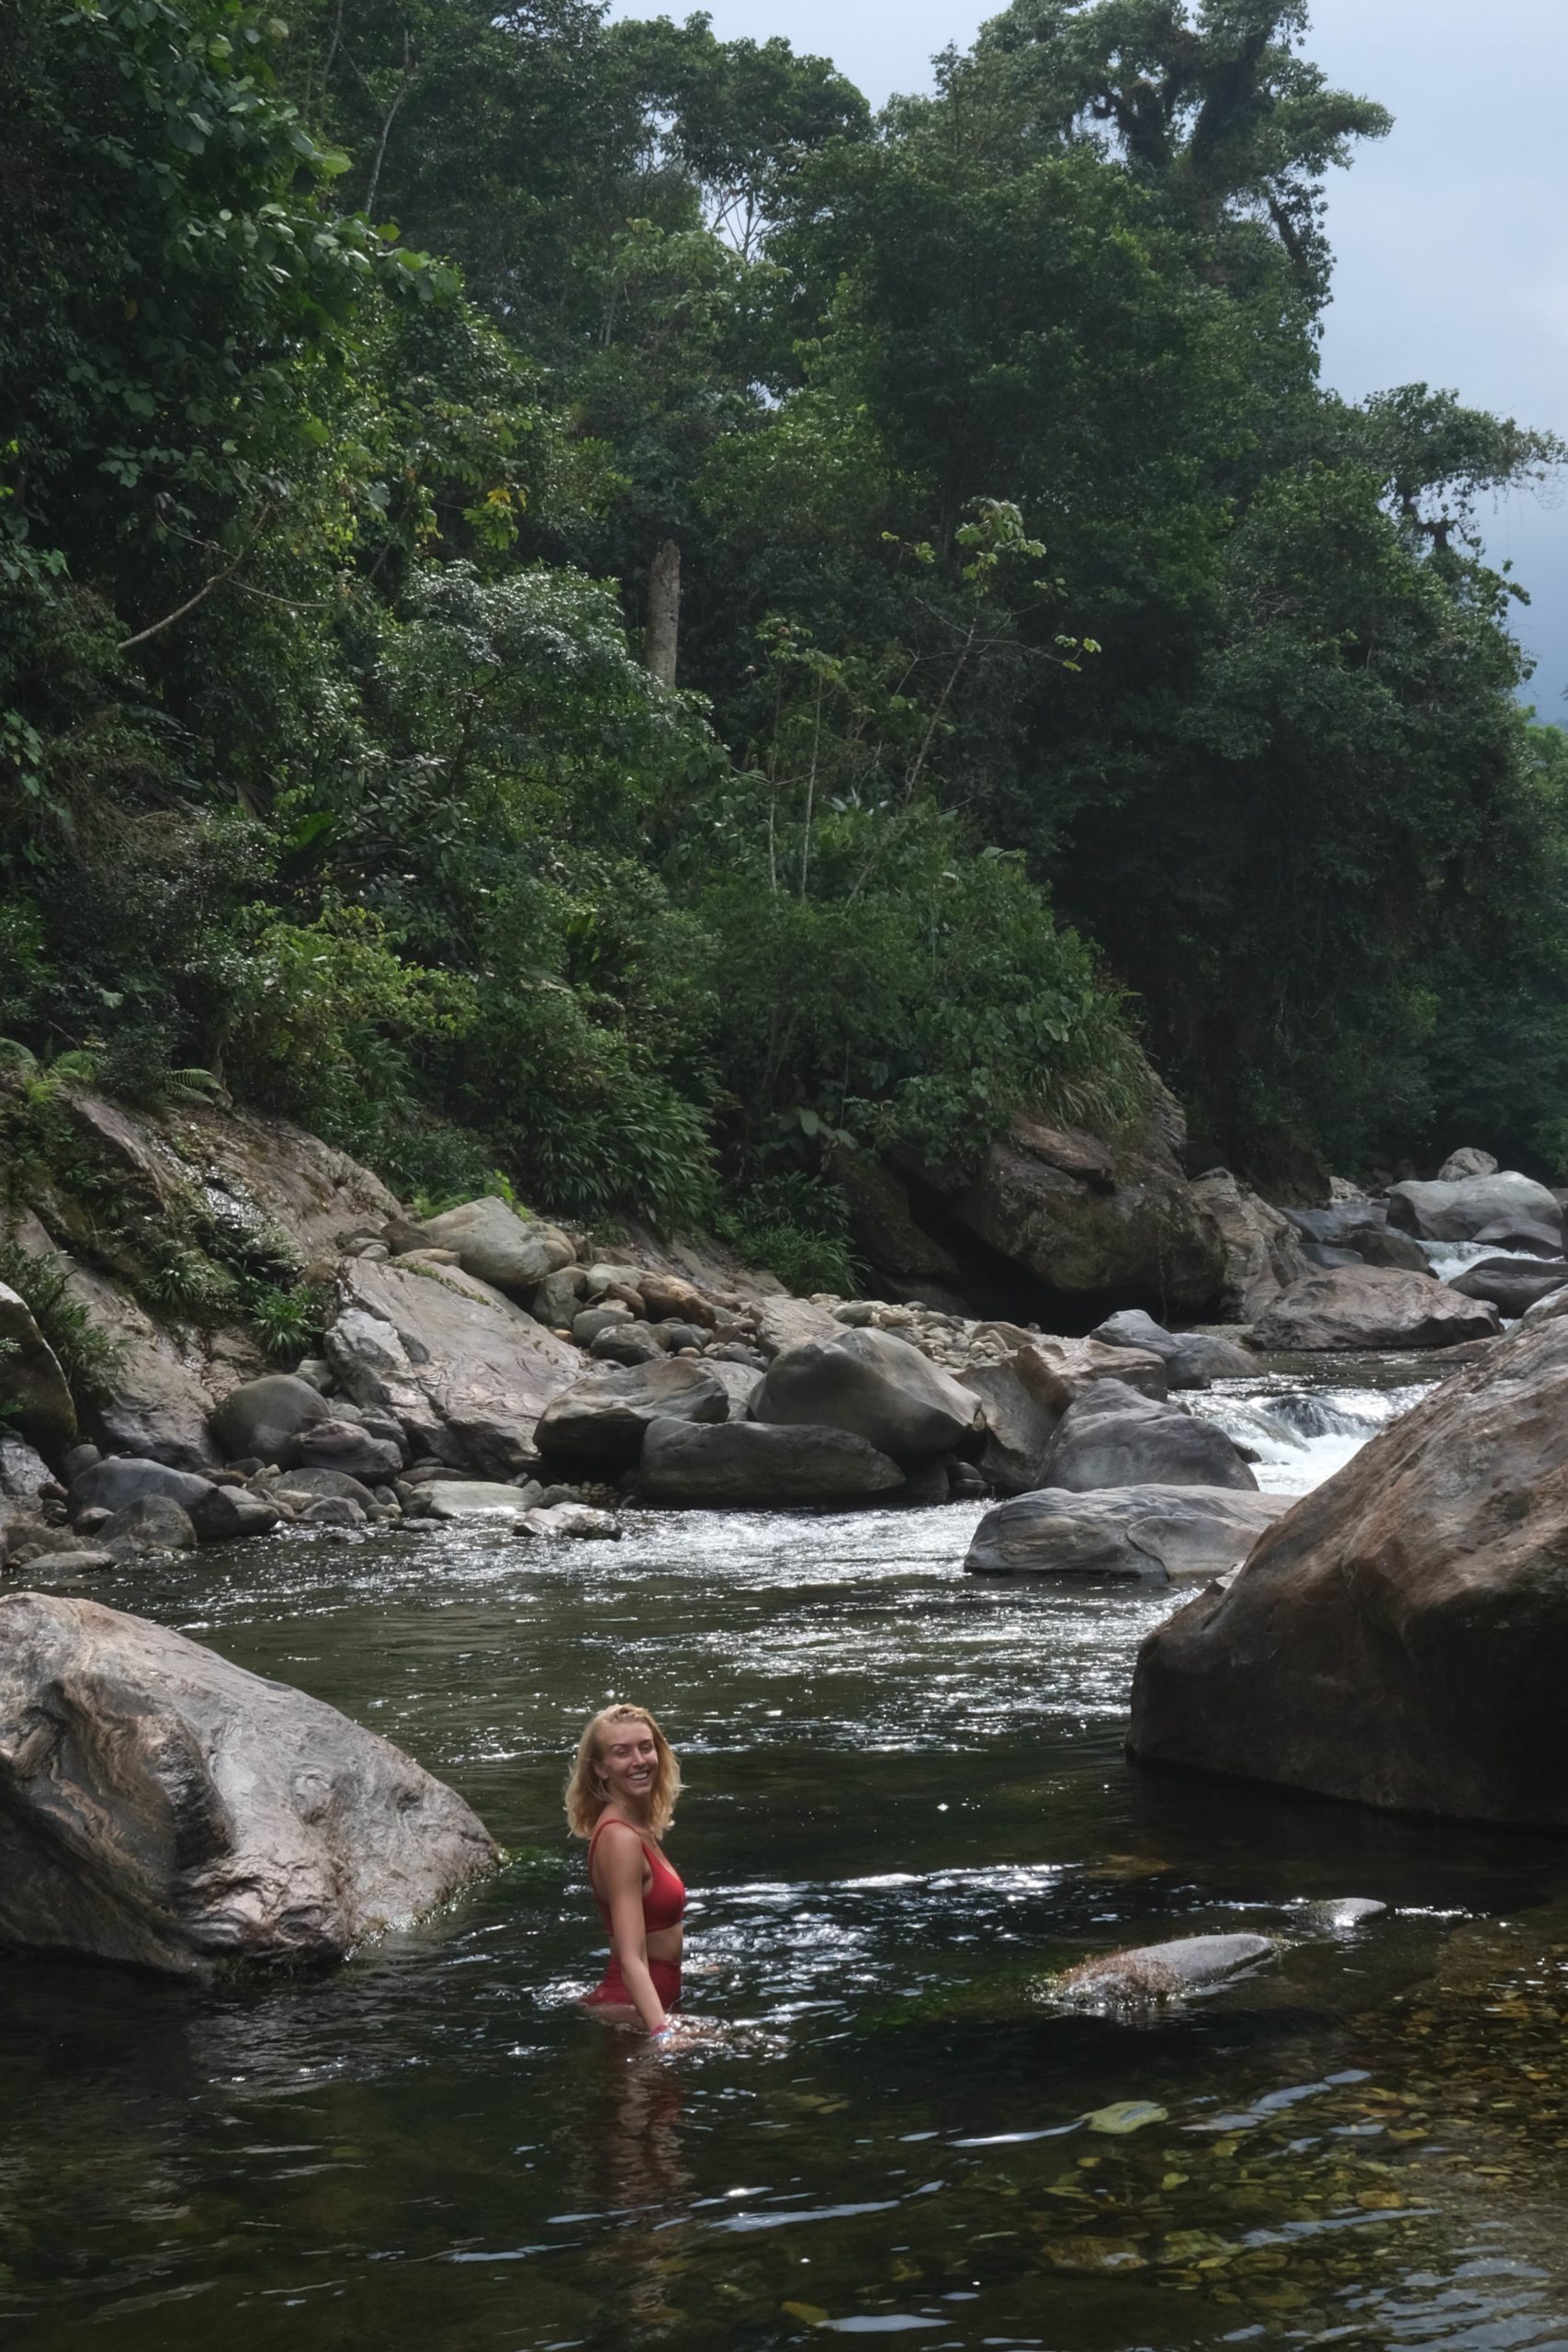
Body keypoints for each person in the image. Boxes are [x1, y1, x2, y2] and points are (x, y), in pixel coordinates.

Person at [567, 1702, 686, 2038]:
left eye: (645, 1747)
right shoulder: (619, 1837)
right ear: (601, 1768)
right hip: (634, 2013)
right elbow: (632, 1958)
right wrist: (663, 2033)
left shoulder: (637, 1826)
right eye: (622, 1752)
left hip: (651, 2005)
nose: (639, 1761)